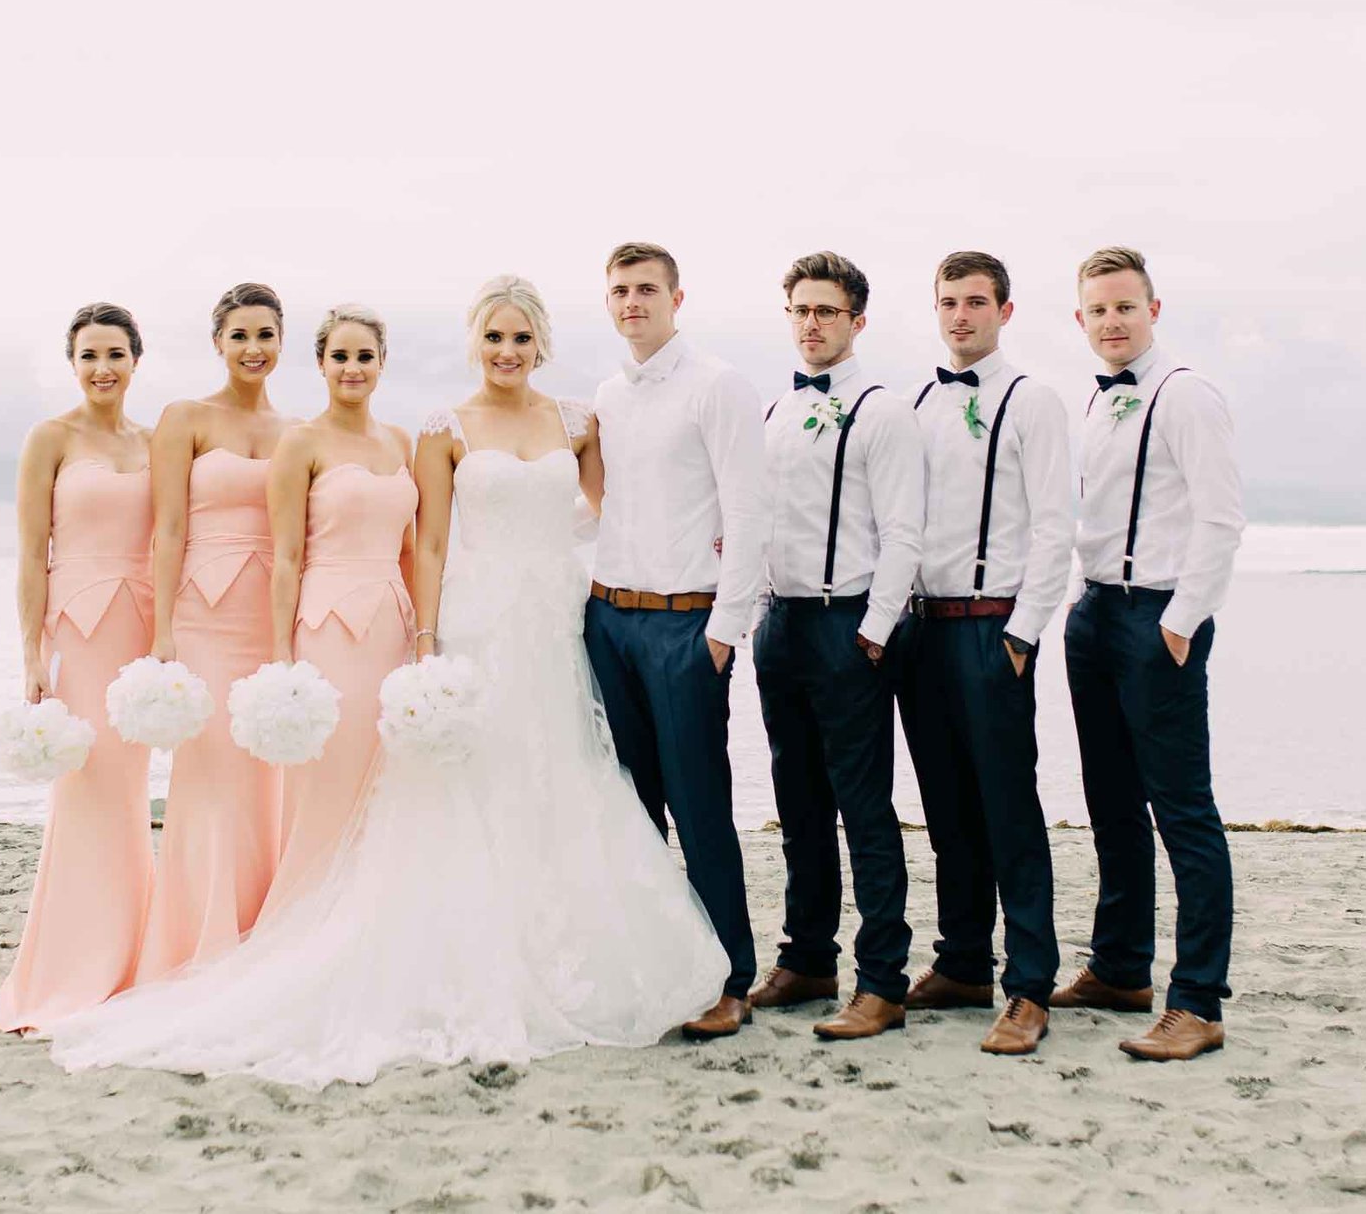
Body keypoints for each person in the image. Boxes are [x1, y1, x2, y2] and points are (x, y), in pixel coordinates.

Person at [50, 278, 727, 1085]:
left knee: (555, 773)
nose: (506, 351)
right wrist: (428, 634)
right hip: (464, 620)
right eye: (493, 338)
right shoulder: (438, 430)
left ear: (539, 342)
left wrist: (606, 549)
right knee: (456, 784)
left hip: (552, 618)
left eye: (520, 338)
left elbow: (610, 512)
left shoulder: (575, 420)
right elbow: (430, 544)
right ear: (474, 343)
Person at [1055, 246, 1245, 1062]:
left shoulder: (1187, 394)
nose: (1112, 322)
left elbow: (1222, 518)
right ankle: (1122, 966)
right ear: (1081, 319)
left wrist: (1179, 623)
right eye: (1097, 310)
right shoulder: (1097, 404)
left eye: (1125, 307)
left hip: (1156, 617)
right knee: (1111, 802)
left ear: (1154, 309)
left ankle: (1196, 1001)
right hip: (1094, 611)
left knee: (1182, 809)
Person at [892, 251, 1074, 1055]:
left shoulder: (1033, 401)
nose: (960, 315)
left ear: (1004, 309)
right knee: (946, 813)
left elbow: (1053, 526)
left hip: (993, 627)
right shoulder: (919, 400)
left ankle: (1028, 985)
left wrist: (1023, 635)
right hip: (922, 628)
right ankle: (962, 961)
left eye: (974, 302)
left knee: (1009, 810)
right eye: (947, 302)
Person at [586, 241, 769, 1039]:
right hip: (610, 619)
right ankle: (660, 965)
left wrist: (725, 633)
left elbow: (750, 513)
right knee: (632, 810)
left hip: (688, 623)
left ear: (676, 297)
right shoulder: (605, 394)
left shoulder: (718, 385)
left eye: (646, 289)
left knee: (700, 807)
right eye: (621, 290)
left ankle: (730, 976)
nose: (633, 302)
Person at [746, 252, 923, 1040]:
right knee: (798, 802)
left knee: (864, 806)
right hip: (780, 623)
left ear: (856, 320)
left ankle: (881, 979)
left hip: (849, 624)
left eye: (826, 311)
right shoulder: (776, 411)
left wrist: (873, 633)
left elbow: (904, 533)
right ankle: (808, 956)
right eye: (801, 311)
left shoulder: (882, 412)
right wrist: (753, 614)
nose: (811, 324)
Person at [0, 303, 158, 1031]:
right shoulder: (50, 438)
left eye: (116, 353)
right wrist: (30, 652)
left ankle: (131, 955)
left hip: (141, 630)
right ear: (72, 361)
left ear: (136, 359)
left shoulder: (155, 442)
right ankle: (70, 962)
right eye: (90, 355)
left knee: (129, 791)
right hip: (78, 628)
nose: (103, 368)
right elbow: (32, 552)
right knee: (83, 789)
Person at [132, 283, 291, 982]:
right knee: (211, 770)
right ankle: (201, 936)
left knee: (267, 772)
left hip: (273, 614)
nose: (253, 349)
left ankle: (261, 924)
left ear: (283, 341)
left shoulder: (296, 431)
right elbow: (165, 527)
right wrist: (162, 628)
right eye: (240, 336)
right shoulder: (185, 418)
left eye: (265, 335)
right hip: (203, 613)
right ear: (218, 343)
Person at [253, 305, 418, 918]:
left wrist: (424, 636)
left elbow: (411, 550)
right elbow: (286, 556)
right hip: (327, 630)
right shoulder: (301, 442)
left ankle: (370, 922)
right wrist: (281, 655)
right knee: (330, 783)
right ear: (321, 363)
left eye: (365, 356)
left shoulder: (400, 442)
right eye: (340, 356)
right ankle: (303, 918)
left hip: (393, 628)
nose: (353, 368)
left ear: (381, 364)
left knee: (386, 784)